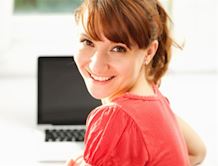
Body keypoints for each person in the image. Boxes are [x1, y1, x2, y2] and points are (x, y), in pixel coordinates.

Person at [67, 0, 206, 165]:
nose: (96, 65)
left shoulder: (116, 118)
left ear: (149, 52)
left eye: (118, 48)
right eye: (87, 42)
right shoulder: (154, 99)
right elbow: (197, 152)